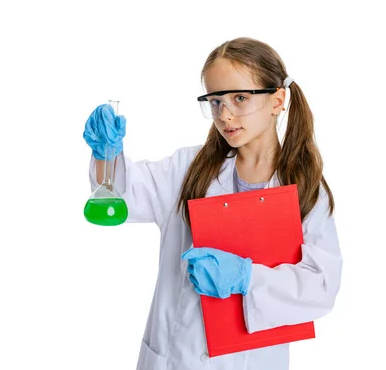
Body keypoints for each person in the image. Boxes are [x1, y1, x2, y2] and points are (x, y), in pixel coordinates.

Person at [83, 37, 343, 370]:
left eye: (239, 98)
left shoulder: (305, 188)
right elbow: (122, 196)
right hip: (175, 357)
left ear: (277, 100)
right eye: (215, 101)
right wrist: (107, 154)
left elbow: (321, 288)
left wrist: (247, 278)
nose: (225, 114)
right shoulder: (189, 169)